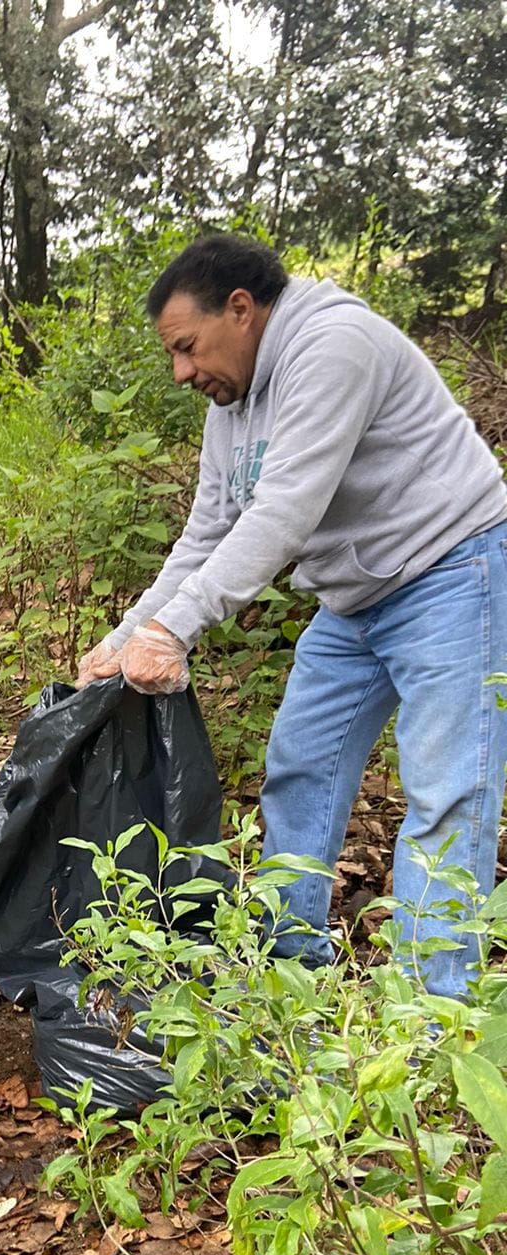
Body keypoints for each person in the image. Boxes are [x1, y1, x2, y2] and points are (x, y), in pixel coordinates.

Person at [78, 233, 507, 999]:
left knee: (448, 791)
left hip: (451, 570)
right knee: (301, 766)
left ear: (240, 309)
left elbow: (284, 511)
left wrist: (176, 631)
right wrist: (124, 636)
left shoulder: (334, 345)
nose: (181, 372)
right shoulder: (232, 404)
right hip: (355, 599)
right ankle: (287, 968)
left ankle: (432, 1009)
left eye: (186, 347)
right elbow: (205, 534)